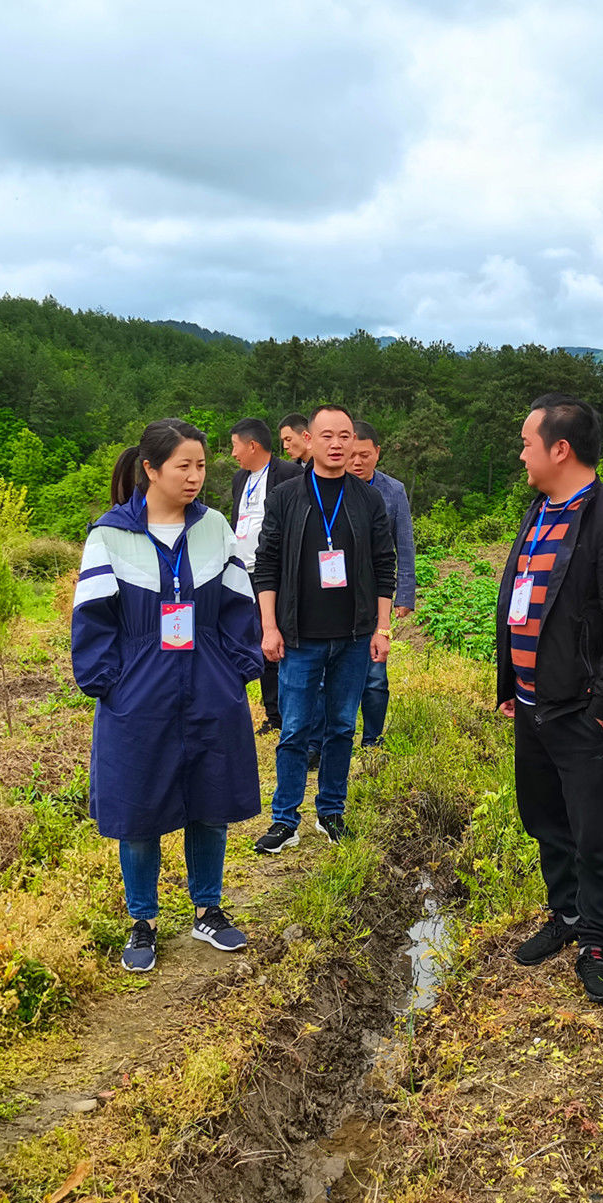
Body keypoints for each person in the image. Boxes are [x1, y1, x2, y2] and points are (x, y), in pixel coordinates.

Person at [72, 420, 264, 972]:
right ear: (150, 469)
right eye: (183, 466)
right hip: (139, 689)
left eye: (202, 466)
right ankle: (143, 920)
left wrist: (235, 670)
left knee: (210, 798)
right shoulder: (109, 536)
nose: (195, 477)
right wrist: (112, 683)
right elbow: (92, 621)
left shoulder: (215, 528)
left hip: (208, 683)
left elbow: (237, 606)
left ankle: (208, 909)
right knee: (139, 807)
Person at [496, 394, 603, 1006]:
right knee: (544, 816)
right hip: (533, 704)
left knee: (594, 829)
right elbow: (522, 602)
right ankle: (564, 914)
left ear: (560, 448)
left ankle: (595, 937)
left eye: (528, 443)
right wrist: (511, 684)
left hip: (582, 709)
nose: (521, 453)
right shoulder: (538, 511)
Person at [250, 404, 396, 852]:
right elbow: (267, 565)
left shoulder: (368, 498)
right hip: (299, 635)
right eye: (327, 435)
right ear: (309, 441)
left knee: (340, 727)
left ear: (355, 443)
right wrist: (269, 627)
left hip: (353, 635)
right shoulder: (286, 497)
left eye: (345, 435)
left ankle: (331, 812)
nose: (337, 444)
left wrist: (383, 628)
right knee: (294, 729)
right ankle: (285, 818)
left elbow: (384, 564)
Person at [314, 419, 413, 747]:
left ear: (377, 454)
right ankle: (327, 737)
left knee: (374, 675)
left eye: (364, 456)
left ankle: (372, 738)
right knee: (326, 674)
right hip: (333, 594)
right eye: (352, 455)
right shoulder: (328, 487)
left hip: (374, 595)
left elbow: (405, 545)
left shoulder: (393, 491)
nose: (357, 462)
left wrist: (405, 594)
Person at [227, 418, 304, 734]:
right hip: (243, 573)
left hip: (276, 575)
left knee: (280, 641)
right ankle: (272, 715)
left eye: (234, 446)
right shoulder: (238, 479)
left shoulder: (290, 474)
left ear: (252, 445)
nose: (233, 454)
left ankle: (289, 714)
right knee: (258, 642)